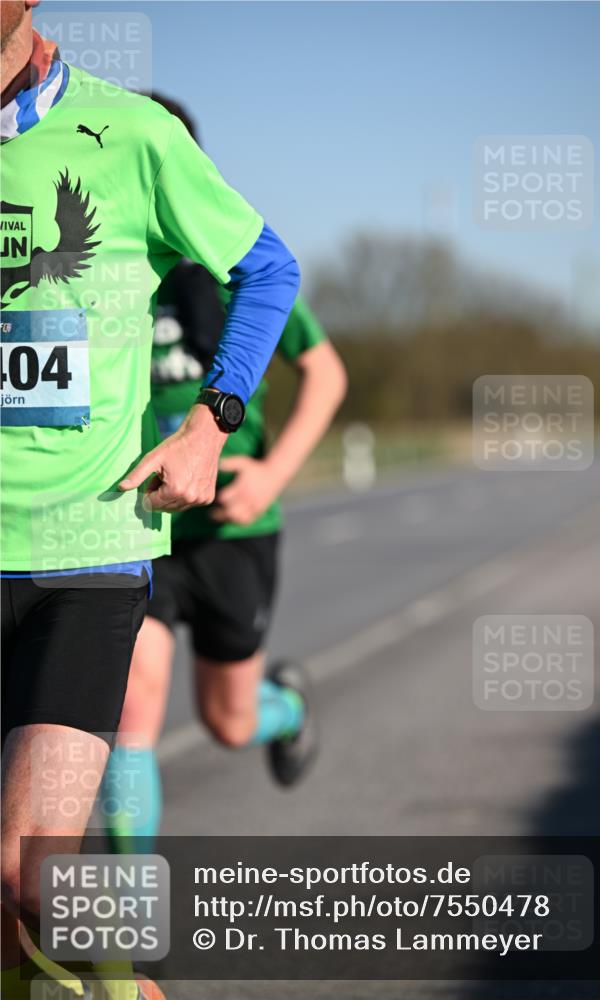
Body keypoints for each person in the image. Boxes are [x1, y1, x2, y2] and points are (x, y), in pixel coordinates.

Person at [0, 4, 300, 999]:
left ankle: (121, 977)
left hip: (85, 544)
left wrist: (212, 425)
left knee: (28, 875)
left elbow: (271, 269)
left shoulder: (131, 133)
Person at [101, 94, 347, 854]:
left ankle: (287, 710)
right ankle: (128, 939)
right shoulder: (104, 271)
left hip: (233, 526)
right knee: (132, 712)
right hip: (139, 524)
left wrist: (271, 475)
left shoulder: (233, 265)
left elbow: (326, 376)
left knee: (227, 721)